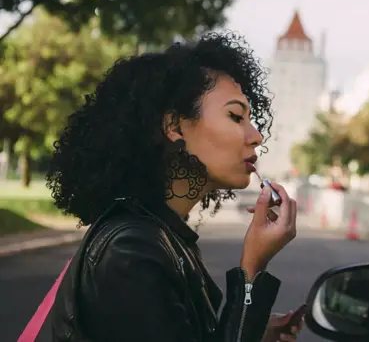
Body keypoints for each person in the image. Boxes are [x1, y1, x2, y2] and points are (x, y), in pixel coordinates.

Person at [47, 31, 303, 342]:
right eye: (236, 116)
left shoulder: (164, 237)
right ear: (175, 127)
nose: (256, 136)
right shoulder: (131, 253)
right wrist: (252, 272)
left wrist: (252, 329)